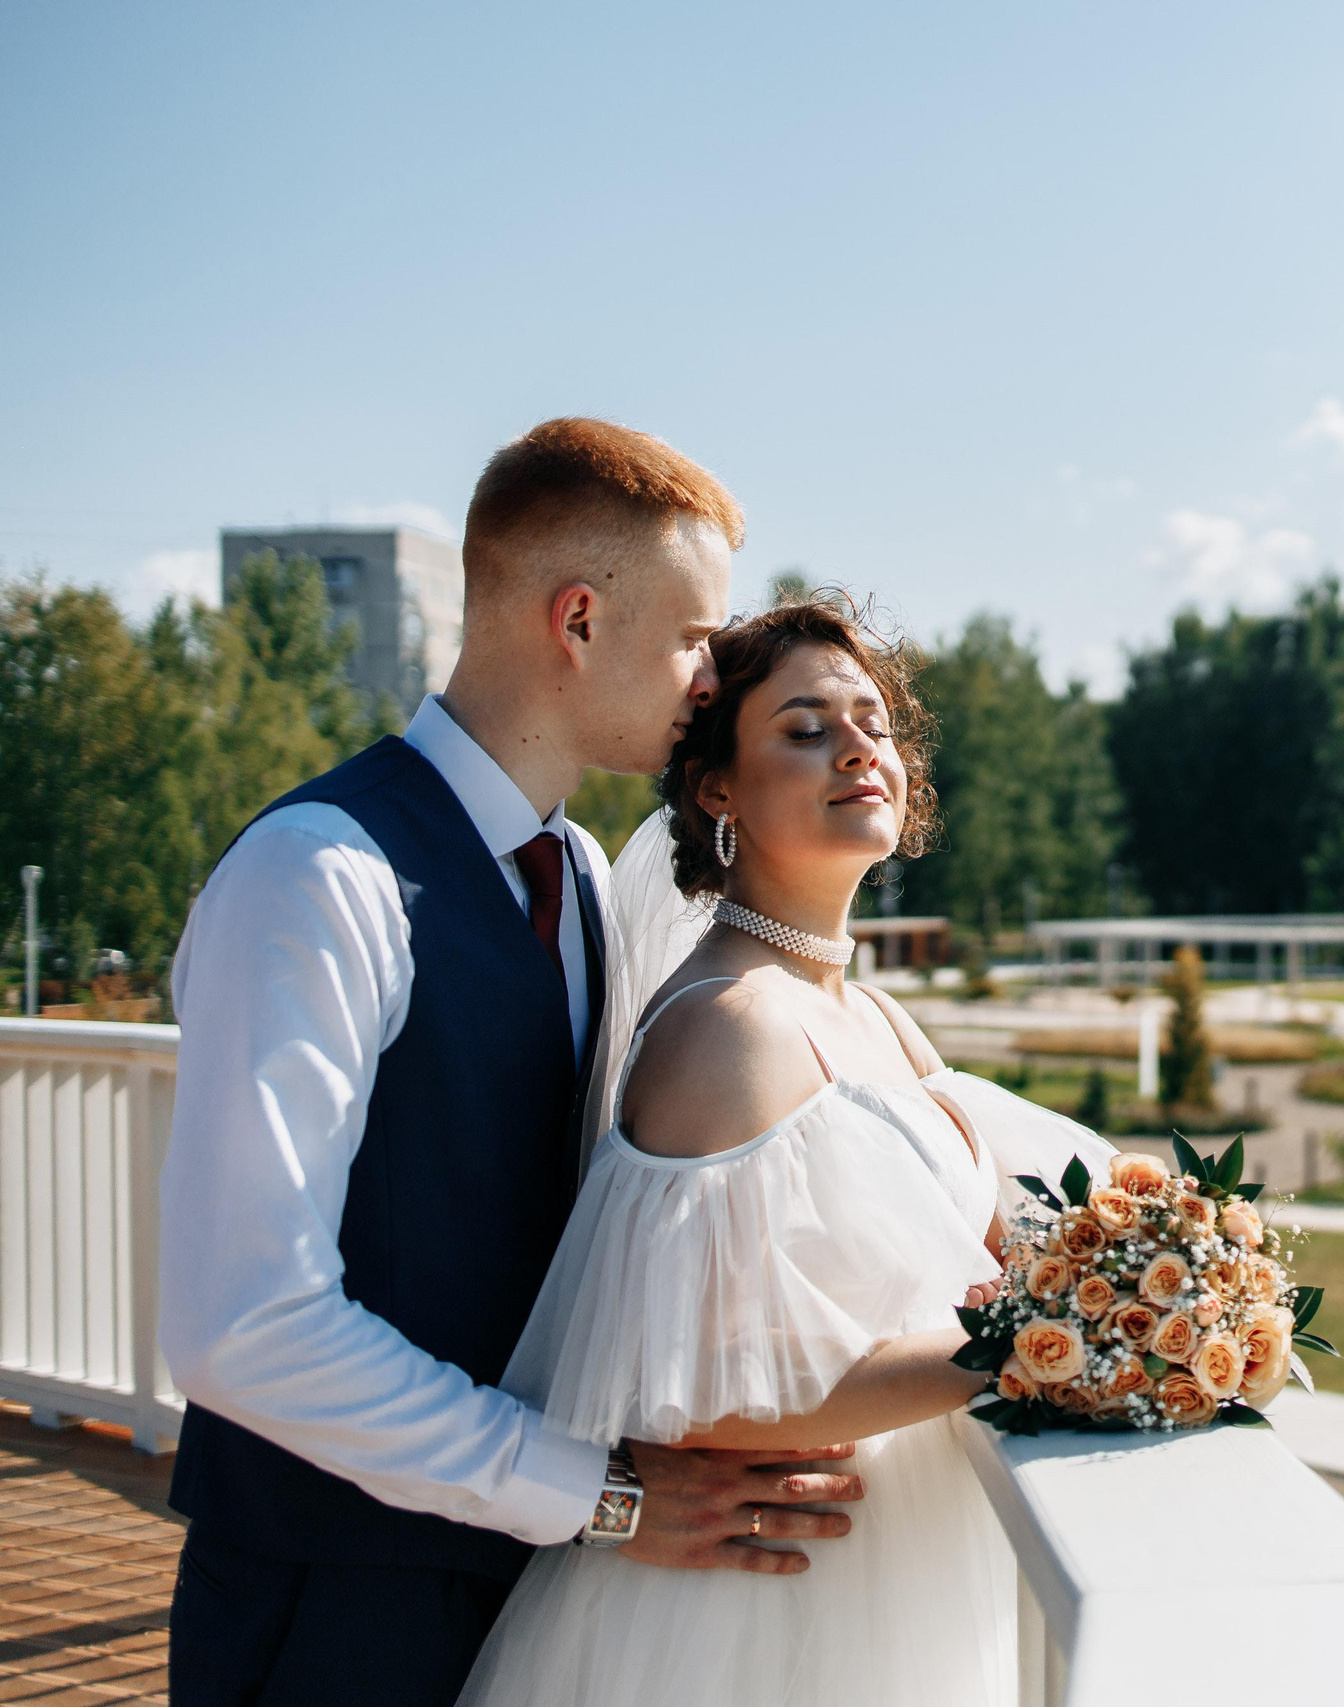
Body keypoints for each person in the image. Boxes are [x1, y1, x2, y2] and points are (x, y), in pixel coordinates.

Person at [160, 420, 866, 1707]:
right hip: (331, 1608)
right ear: (580, 619)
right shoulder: (319, 873)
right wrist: (589, 1495)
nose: (711, 677)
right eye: (694, 637)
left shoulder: (584, 880)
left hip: (526, 1592)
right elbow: (243, 1327)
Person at [456, 596, 1114, 1705]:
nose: (860, 748)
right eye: (806, 728)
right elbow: (689, 1392)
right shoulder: (730, 1029)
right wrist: (1031, 1345)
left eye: (874, 723)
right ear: (718, 788)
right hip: (762, 1604)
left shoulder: (870, 1017)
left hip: (891, 1566)